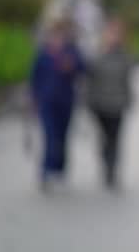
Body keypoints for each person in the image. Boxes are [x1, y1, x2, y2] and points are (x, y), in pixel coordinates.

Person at [30, 18, 85, 192]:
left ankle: (60, 169)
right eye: (53, 34)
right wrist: (33, 98)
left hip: (66, 102)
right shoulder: (43, 54)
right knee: (50, 136)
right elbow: (34, 78)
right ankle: (45, 171)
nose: (56, 38)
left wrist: (73, 66)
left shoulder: (71, 51)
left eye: (59, 34)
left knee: (62, 137)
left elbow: (83, 69)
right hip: (47, 103)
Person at [86, 19, 133, 189]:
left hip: (117, 104)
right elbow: (90, 81)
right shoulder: (97, 56)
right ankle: (105, 162)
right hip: (100, 104)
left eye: (116, 34)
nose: (113, 37)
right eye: (110, 34)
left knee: (115, 138)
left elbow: (128, 81)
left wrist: (129, 100)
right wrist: (89, 101)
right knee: (104, 138)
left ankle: (111, 170)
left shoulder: (125, 56)